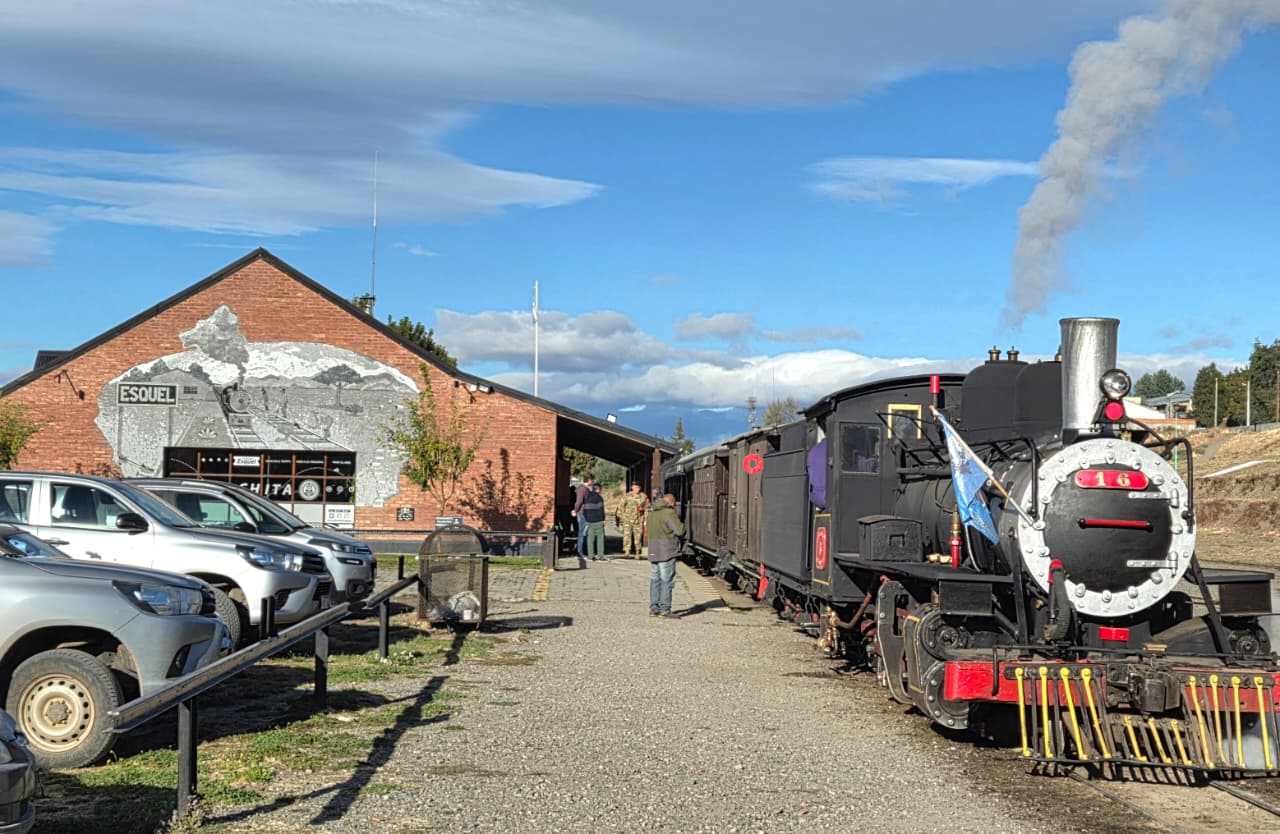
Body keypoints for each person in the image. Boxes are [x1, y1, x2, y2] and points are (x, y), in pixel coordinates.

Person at [646, 493, 685, 618]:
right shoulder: (669, 513)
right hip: (666, 550)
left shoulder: (651, 513)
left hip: (653, 549)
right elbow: (679, 530)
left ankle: (654, 608)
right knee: (666, 580)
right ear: (672, 503)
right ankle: (665, 610)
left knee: (655, 579)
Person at [615, 482, 648, 557]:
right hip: (627, 519)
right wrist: (621, 518)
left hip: (638, 520)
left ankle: (637, 552)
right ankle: (627, 551)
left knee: (638, 537)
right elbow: (621, 506)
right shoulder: (627, 496)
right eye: (635, 487)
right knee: (627, 536)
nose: (637, 489)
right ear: (632, 488)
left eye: (638, 487)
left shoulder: (643, 496)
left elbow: (646, 508)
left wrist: (645, 519)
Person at [570, 473, 595, 565]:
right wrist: (575, 510)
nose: (593, 482)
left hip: (585, 513)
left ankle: (580, 551)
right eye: (592, 480)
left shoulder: (584, 489)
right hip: (582, 513)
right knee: (582, 533)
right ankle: (580, 552)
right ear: (589, 480)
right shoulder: (582, 489)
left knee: (583, 532)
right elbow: (579, 501)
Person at [581, 483, 607, 561]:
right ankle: (600, 555)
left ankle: (591, 555)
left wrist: (586, 518)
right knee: (600, 538)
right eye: (600, 489)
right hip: (598, 520)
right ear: (598, 489)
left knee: (590, 538)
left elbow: (584, 510)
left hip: (589, 520)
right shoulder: (599, 498)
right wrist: (603, 519)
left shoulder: (586, 497)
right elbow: (601, 510)